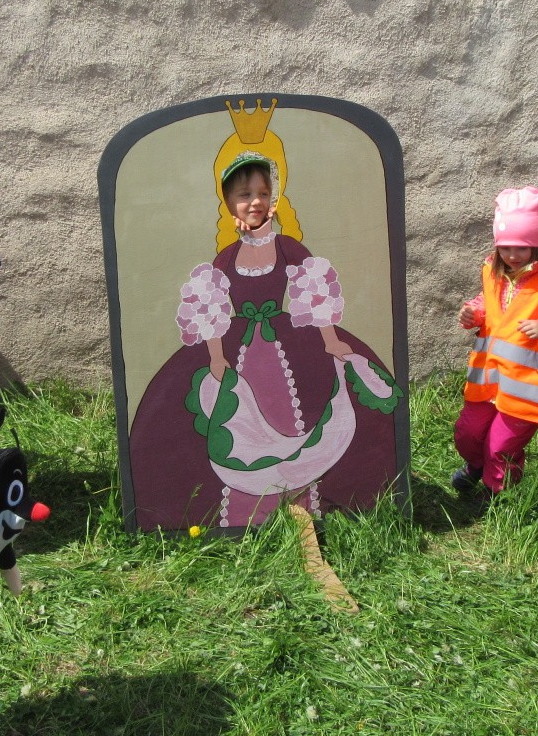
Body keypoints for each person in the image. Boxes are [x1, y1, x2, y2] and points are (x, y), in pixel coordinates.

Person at [126, 123, 400, 531]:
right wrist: (216, 358)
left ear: (273, 199)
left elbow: (314, 293)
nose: (254, 202)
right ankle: (243, 516)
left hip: (288, 340)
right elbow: (212, 310)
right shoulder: (225, 258)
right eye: (244, 195)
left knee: (295, 412)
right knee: (238, 420)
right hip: (238, 350)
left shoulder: (288, 248)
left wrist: (330, 341)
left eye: (262, 193)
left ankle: (305, 505)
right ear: (229, 203)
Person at [452, 186, 538, 495]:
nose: (512, 255)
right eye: (505, 247)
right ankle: (476, 466)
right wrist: (474, 313)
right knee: (468, 433)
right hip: (488, 376)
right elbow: (489, 303)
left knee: (501, 445)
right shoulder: (492, 271)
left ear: (537, 244)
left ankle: (496, 493)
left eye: (521, 248)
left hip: (524, 384)